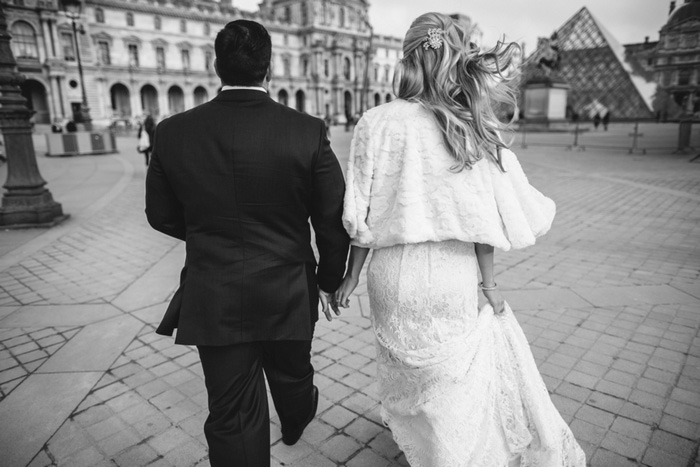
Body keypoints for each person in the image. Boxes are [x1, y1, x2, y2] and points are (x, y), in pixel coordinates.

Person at [336, 13, 586, 467]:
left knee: (410, 381)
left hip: (391, 277)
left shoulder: (375, 122)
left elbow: (361, 218)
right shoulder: (469, 123)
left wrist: (350, 277)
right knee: (454, 386)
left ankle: (428, 449)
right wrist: (489, 287)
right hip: (452, 275)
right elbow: (481, 222)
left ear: (408, 59)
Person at [145, 19, 349, 467]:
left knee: (232, 411)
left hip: (214, 290)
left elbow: (159, 215)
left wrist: (209, 232)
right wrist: (330, 279)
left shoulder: (173, 131)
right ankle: (296, 419)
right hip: (288, 286)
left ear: (216, 66)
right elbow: (332, 221)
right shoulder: (307, 131)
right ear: (269, 67)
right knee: (293, 372)